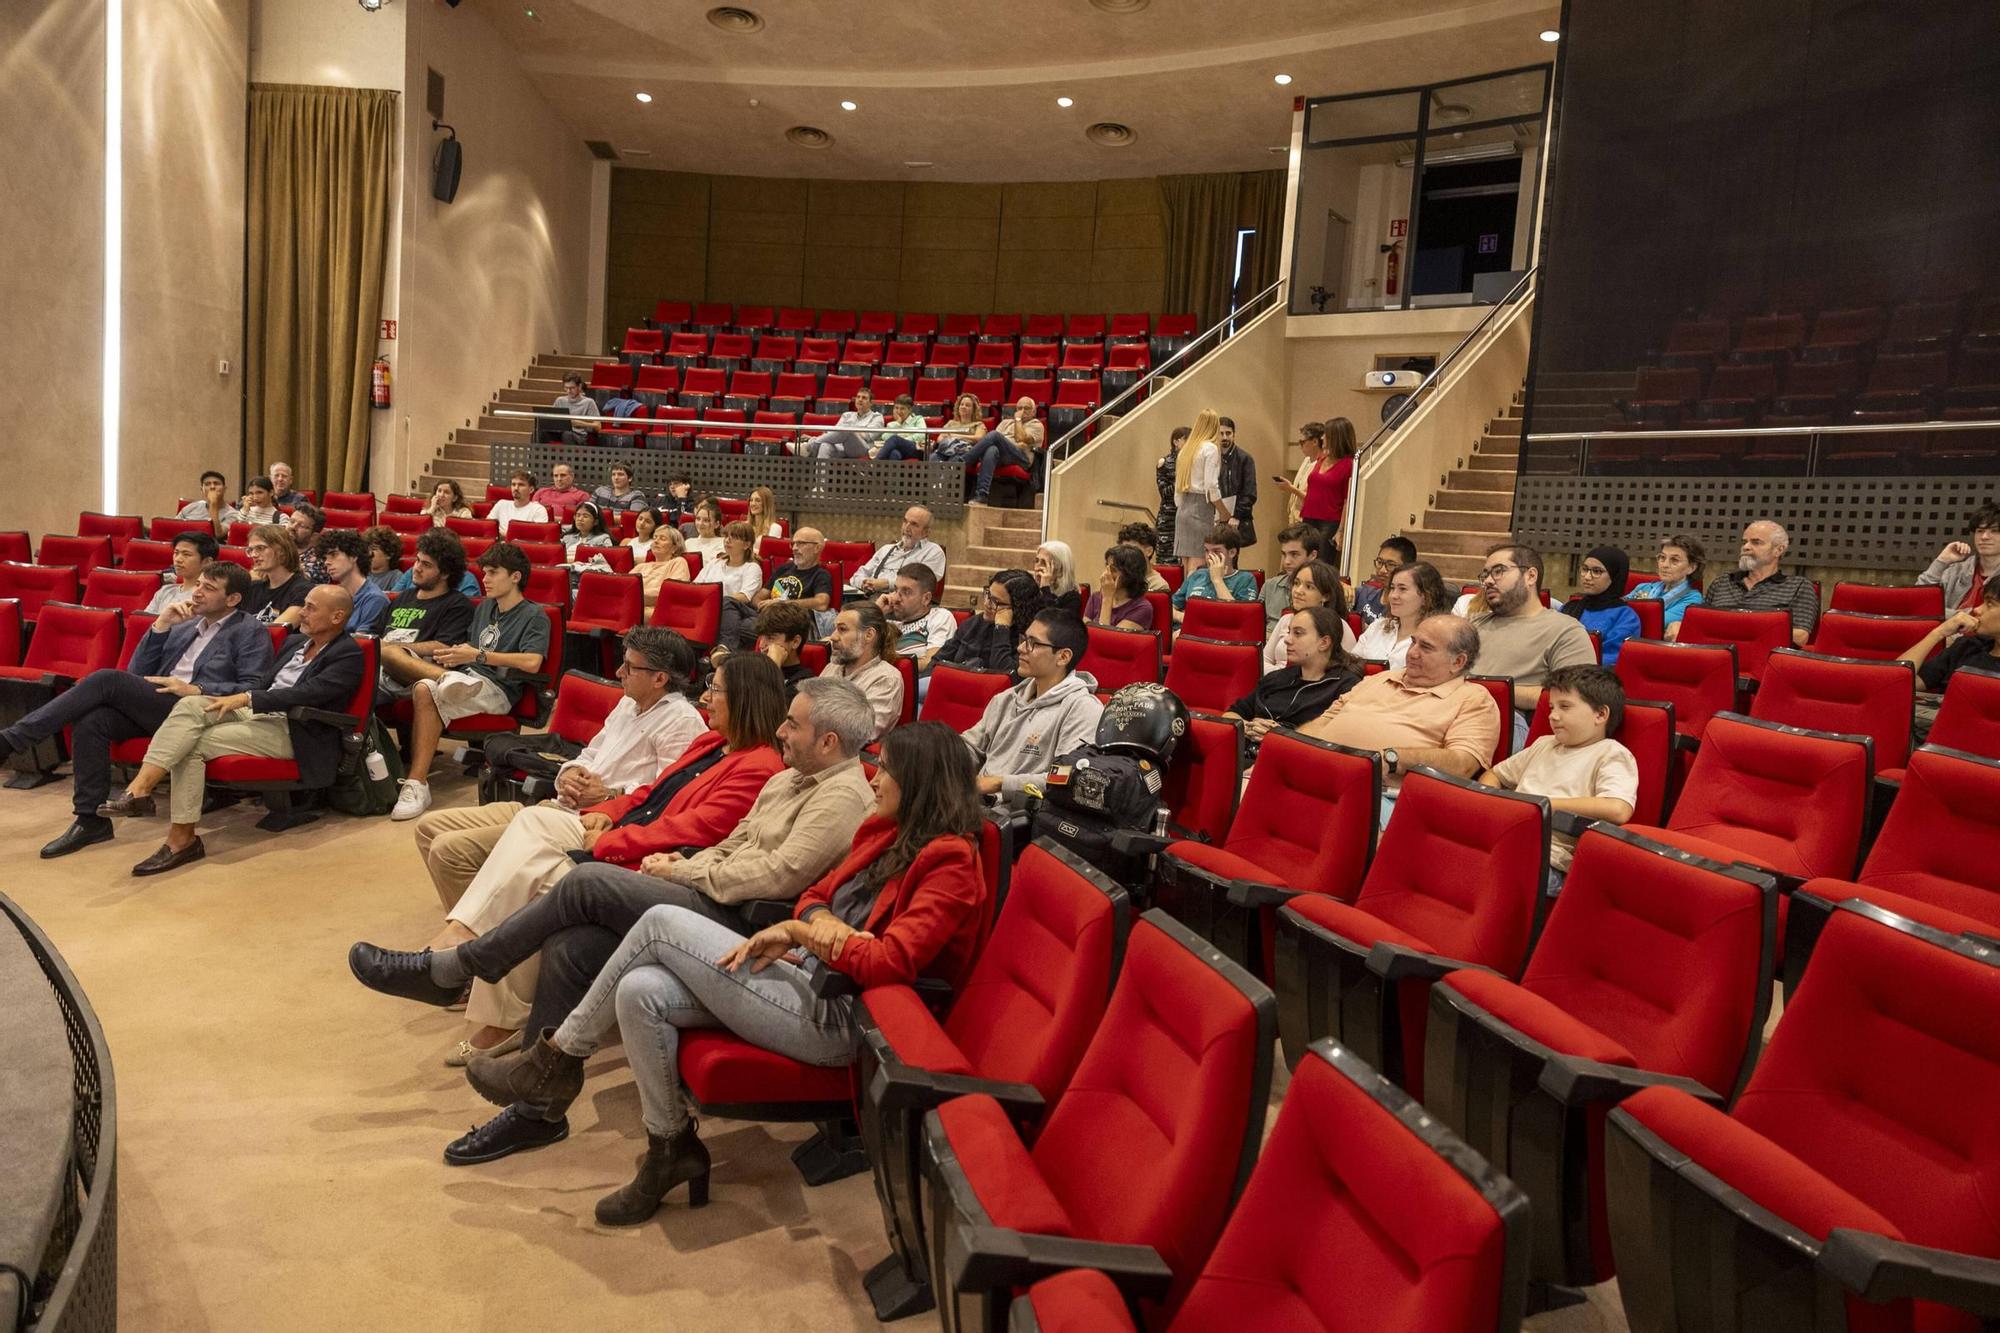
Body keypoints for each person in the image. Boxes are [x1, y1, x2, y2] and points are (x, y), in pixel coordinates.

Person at [436, 708, 963, 1206]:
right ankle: (671, 1150)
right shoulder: (884, 831)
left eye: (887, 770)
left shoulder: (950, 861)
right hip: (802, 973)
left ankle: (550, 1060)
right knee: (639, 989)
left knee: (649, 917)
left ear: (919, 782)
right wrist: (816, 923)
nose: (875, 780)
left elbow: (889, 961)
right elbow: (815, 894)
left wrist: (807, 931)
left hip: (842, 1016)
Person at [346, 673, 875, 1167]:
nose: (780, 729)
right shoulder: (789, 780)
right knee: (572, 945)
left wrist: (685, 873)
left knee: (585, 882)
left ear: (828, 742)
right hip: (710, 894)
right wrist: (685, 867)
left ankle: (459, 967)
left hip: (746, 928)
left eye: (793, 724)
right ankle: (537, 1111)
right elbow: (735, 846)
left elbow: (779, 875)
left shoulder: (844, 794)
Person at [384, 630, 719, 1058]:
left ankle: (465, 946)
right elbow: (587, 754)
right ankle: (472, 963)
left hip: (597, 821)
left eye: (630, 667)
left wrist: (609, 795)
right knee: (433, 832)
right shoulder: (627, 703)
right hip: (564, 803)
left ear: (660, 679)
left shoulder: (681, 721)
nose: (618, 672)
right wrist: (570, 776)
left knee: (505, 837)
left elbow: (664, 795)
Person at [0, 561, 272, 858]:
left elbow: (252, 687)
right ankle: (90, 820)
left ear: (233, 599)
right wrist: (161, 625)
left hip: (196, 712)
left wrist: (197, 689)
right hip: (159, 705)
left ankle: (12, 740)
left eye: (209, 588)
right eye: (198, 585)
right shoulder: (185, 624)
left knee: (105, 679)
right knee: (93, 719)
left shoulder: (250, 631)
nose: (197, 593)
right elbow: (137, 670)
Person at [98, 585, 365, 875]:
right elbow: (263, 683)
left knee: (193, 745)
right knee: (191, 705)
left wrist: (247, 698)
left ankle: (181, 839)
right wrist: (244, 698)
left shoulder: (347, 654)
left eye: (312, 607)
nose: (302, 611)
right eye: (305, 605)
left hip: (295, 729)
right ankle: (139, 790)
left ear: (338, 616)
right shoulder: (295, 643)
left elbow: (307, 694)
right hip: (257, 713)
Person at [386, 543, 552, 821]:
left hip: (499, 689)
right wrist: (454, 656)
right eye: (484, 572)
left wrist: (479, 655)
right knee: (414, 675)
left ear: (515, 577)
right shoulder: (486, 607)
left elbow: (532, 662)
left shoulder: (534, 615)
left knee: (425, 688)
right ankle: (417, 783)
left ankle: (417, 784)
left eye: (492, 572)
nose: (484, 579)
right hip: (469, 677)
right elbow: (473, 652)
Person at [1302, 614, 1501, 823]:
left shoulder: (1474, 699)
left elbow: (1463, 764)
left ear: (1458, 662)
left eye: (1426, 647)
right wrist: (1293, 750)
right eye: (1413, 642)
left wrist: (1393, 758)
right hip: (1319, 774)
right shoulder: (1378, 679)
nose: (1412, 653)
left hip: (1384, 797)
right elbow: (1322, 723)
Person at [1479, 664, 1638, 894]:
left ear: (1600, 714)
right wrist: (1487, 800)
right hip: (1504, 837)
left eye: (1565, 707)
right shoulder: (1544, 743)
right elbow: (1495, 774)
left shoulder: (1611, 753)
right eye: (1552, 707)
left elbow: (1618, 808)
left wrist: (1544, 805)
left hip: (1548, 859)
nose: (1552, 716)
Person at [962, 607, 1101, 805]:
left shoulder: (1082, 709)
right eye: (1023, 639)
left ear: (1063, 657)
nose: (1020, 648)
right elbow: (969, 747)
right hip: (973, 802)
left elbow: (1068, 777)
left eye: (1033, 643)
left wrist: (1000, 783)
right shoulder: (1007, 698)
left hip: (1017, 812)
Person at [1468, 543, 1598, 750]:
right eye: (1485, 575)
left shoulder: (1565, 630)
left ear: (1530, 576)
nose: (1489, 581)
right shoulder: (1474, 623)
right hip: (1455, 710)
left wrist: (1485, 690)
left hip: (1509, 724)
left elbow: (1576, 698)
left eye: (1498, 571)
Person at [1227, 605, 1361, 741]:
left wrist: (1279, 736)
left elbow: (1338, 740)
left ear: (1324, 643)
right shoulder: (1277, 677)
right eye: (1289, 632)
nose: (1287, 639)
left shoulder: (1347, 687)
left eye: (1298, 633)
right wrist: (1248, 728)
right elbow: (1232, 714)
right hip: (1250, 752)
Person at [375, 531, 478, 696]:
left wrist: (394, 647)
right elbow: (376, 634)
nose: (417, 568)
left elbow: (444, 645)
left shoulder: (458, 604)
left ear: (445, 573)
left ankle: (452, 680)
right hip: (380, 669)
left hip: (414, 677)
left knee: (388, 653)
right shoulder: (404, 597)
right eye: (417, 560)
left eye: (426, 565)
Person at [1902, 573, 2000, 740]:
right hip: (1937, 742)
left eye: (1990, 604)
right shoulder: (1969, 647)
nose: (1977, 609)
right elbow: (1895, 682)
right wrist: (1938, 633)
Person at [1705, 520, 1819, 646]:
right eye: (1744, 542)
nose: (1746, 547)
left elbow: (1799, 636)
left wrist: (1738, 627)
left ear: (1778, 550)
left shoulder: (1798, 586)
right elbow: (1700, 625)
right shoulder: (1722, 582)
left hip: (1765, 659)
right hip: (1718, 654)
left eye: (1756, 542)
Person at [924, 569, 1041, 683]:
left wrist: (1001, 629)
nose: (986, 604)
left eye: (995, 601)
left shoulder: (1029, 640)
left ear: (1017, 608)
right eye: (988, 595)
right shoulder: (974, 623)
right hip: (953, 686)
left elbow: (1005, 677)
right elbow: (937, 661)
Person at [821, 603, 903, 739]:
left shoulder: (886, 678)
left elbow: (862, 732)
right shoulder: (833, 667)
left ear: (869, 635)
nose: (833, 637)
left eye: (842, 629)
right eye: (835, 629)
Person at [1355, 560, 1454, 671]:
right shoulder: (1378, 626)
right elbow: (1352, 665)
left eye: (1402, 589)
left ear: (1426, 596)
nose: (1393, 596)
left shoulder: (1437, 639)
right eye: (1392, 588)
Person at [1263, 559, 1357, 671]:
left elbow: (1347, 669)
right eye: (1296, 583)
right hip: (1277, 683)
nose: (1298, 591)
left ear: (1325, 596)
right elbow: (1264, 660)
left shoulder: (1339, 626)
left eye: (1309, 587)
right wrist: (1280, 677)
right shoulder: (1286, 619)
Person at [1561, 547, 1642, 665]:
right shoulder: (1570, 607)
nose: (1587, 577)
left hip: (1594, 678)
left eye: (1597, 571)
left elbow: (1612, 658)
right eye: (1585, 569)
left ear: (1615, 576)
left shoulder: (1626, 617)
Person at [1916, 500, 2000, 613]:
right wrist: (1942, 562)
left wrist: (1947, 615)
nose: (1984, 537)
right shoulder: (1957, 570)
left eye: (1994, 531)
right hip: (1946, 630)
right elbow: (1918, 600)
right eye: (1980, 531)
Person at [846, 506, 946, 597]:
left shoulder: (933, 552)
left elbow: (920, 584)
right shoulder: (886, 549)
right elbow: (856, 576)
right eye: (905, 521)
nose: (906, 527)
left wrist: (885, 584)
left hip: (902, 606)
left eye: (914, 524)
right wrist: (865, 583)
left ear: (926, 532)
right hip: (870, 599)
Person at [1172, 410, 1228, 570]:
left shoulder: (1186, 450)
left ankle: (1185, 596)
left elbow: (1178, 490)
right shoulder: (1209, 449)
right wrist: (1223, 512)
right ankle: (1193, 596)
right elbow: (1211, 486)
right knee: (1197, 568)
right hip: (1200, 510)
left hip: (1183, 510)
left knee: (1185, 567)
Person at [965, 396, 1045, 505]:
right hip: (1003, 455)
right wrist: (1011, 442)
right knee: (991, 450)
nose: (1022, 411)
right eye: (1019, 408)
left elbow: (1021, 438)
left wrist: (1018, 420)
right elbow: (994, 442)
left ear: (1033, 411)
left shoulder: (1036, 425)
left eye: (1026, 408)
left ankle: (963, 462)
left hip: (1022, 458)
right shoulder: (1005, 423)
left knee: (995, 435)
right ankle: (982, 496)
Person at [1296, 417, 1356, 560]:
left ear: (1336, 437)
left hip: (1329, 522)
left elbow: (1348, 500)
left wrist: (1341, 530)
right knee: (1304, 560)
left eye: (1326, 435)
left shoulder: (1349, 464)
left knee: (1321, 563)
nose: (1322, 437)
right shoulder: (1322, 458)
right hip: (1309, 517)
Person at [1172, 524, 1257, 623]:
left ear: (1232, 552)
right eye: (1207, 550)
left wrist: (1217, 580)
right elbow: (1170, 607)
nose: (1209, 557)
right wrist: (1182, 617)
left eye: (1216, 551)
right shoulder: (1197, 575)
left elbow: (1239, 617)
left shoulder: (1246, 580)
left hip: (1222, 634)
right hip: (1190, 632)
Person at [1627, 536, 1706, 640]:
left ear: (1691, 568)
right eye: (1662, 558)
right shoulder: (1644, 587)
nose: (1665, 565)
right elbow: (1616, 609)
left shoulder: (1693, 600)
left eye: (1674, 560)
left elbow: (1652, 624)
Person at [316, 527, 391, 637]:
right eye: (325, 558)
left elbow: (360, 645)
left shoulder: (375, 599)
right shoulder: (330, 596)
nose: (327, 562)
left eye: (333, 555)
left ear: (353, 556)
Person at [878, 564, 956, 659]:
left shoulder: (939, 617)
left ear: (926, 598)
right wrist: (877, 610)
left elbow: (931, 662)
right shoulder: (890, 623)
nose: (896, 598)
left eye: (906, 592)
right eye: (895, 590)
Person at [242, 524, 313, 627]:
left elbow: (276, 633)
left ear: (282, 551)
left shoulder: (304, 590)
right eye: (250, 550)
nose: (254, 555)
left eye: (260, 548)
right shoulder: (253, 588)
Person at [752, 526, 831, 612]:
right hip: (766, 616)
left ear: (817, 548)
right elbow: (758, 597)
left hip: (793, 620)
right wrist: (762, 607)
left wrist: (782, 604)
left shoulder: (821, 574)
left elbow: (821, 603)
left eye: (800, 543)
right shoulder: (784, 568)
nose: (794, 548)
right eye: (793, 544)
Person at [1261, 523, 1324, 631]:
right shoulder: (1269, 586)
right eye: (1284, 554)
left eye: (1294, 554)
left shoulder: (1324, 589)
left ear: (1312, 555)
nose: (1286, 562)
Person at [750, 601, 817, 695]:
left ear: (795, 642)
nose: (761, 645)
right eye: (761, 637)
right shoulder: (751, 669)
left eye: (770, 638)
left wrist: (773, 666)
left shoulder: (804, 682)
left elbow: (762, 706)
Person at [144, 531, 220, 614]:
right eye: (176, 553)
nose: (178, 559)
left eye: (186, 554)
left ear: (207, 562)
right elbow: (146, 623)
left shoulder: (206, 597)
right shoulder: (165, 591)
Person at [1085, 544, 1155, 631]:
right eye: (1106, 568)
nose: (1106, 574)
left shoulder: (1142, 608)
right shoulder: (1095, 598)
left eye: (1113, 570)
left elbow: (1106, 640)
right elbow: (1082, 635)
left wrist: (1107, 598)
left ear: (1130, 575)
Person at [1215, 415, 1260, 546]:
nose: (1224, 437)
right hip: (1215, 518)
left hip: (1235, 519)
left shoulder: (1245, 459)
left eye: (1228, 433)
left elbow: (1250, 492)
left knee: (1231, 558)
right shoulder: (1212, 456)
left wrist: (1236, 516)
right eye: (1221, 433)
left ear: (1234, 435)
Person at [1353, 535, 1418, 624]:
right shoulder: (1365, 594)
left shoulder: (1407, 609)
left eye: (1391, 565)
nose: (1382, 570)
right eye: (1379, 562)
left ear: (1408, 568)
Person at [807, 387, 884, 460]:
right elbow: (834, 433)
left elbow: (867, 436)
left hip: (862, 449)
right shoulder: (847, 415)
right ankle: (821, 473)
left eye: (864, 398)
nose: (860, 399)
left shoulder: (877, 417)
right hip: (841, 446)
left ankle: (812, 444)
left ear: (870, 403)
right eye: (858, 397)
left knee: (846, 429)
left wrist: (850, 432)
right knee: (825, 446)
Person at [1277, 420, 1326, 526]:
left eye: (1302, 442)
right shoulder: (1307, 460)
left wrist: (1291, 489)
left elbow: (1314, 498)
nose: (1300, 446)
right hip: (1295, 516)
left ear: (1315, 442)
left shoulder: (1323, 465)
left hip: (1308, 520)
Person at [637, 525, 691, 615]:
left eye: (662, 538)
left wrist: (635, 595)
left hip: (657, 611)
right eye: (655, 537)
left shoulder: (678, 562)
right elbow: (624, 587)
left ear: (674, 547)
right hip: (632, 605)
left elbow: (673, 592)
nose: (656, 541)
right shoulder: (641, 566)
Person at [176, 470, 243, 538]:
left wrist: (213, 504)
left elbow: (218, 535)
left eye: (216, 483)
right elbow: (174, 527)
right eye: (207, 484)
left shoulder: (233, 514)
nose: (212, 487)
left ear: (224, 489)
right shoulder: (191, 507)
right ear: (202, 489)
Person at [559, 501, 615, 582]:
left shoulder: (603, 538)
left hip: (588, 577)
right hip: (564, 574)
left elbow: (606, 560)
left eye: (585, 516)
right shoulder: (567, 538)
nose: (580, 519)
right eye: (578, 515)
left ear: (595, 521)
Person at [1155, 425, 1188, 562]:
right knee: (1167, 559)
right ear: (1176, 441)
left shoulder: (1192, 463)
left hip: (1186, 515)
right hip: (1168, 518)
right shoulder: (1165, 462)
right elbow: (1164, 492)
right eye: (1185, 439)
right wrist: (1181, 483)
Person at [929, 393, 986, 463]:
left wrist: (956, 436)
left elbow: (979, 438)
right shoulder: (951, 423)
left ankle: (945, 473)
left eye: (967, 405)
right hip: (946, 449)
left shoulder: (978, 424)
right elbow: (939, 439)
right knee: (933, 457)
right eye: (961, 404)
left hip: (964, 451)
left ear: (973, 410)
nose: (963, 407)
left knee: (955, 459)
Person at [1116, 521, 1173, 593]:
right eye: (1123, 550)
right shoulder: (1119, 578)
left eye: (1132, 550)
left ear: (1149, 551)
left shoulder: (1159, 586)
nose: (1126, 556)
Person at [489, 471, 550, 536]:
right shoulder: (501, 504)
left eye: (521, 485)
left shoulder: (538, 510)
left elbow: (536, 536)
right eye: (513, 484)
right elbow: (488, 527)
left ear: (531, 489)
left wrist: (501, 533)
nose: (516, 488)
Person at [873, 394, 929, 461]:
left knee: (895, 439)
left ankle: (875, 462)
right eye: (896, 408)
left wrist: (902, 440)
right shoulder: (892, 424)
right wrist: (897, 424)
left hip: (915, 449)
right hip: (900, 451)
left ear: (910, 409)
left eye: (902, 408)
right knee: (894, 454)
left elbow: (922, 435)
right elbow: (885, 437)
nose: (899, 411)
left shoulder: (918, 419)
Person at [552, 372, 598, 448]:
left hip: (579, 435)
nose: (568, 391)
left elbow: (598, 426)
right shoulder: (559, 400)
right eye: (566, 388)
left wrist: (579, 423)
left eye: (572, 388)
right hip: (560, 433)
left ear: (579, 386)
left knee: (567, 434)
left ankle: (569, 460)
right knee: (539, 433)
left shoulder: (589, 402)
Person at [1034, 541, 1081, 615]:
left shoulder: (1072, 598)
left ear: (1060, 570)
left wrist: (1045, 589)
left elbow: (1053, 621)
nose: (1037, 568)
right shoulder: (1032, 589)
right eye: (1036, 561)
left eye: (1044, 563)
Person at [287, 503, 328, 583]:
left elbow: (294, 584)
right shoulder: (277, 547)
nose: (292, 527)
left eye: (301, 526)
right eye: (292, 521)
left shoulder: (317, 562)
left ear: (314, 536)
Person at [359, 526, 404, 592]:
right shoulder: (361, 572)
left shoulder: (396, 576)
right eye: (366, 549)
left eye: (373, 549)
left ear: (389, 554)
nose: (368, 554)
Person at [683, 498, 726, 566]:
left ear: (717, 524)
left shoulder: (723, 543)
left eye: (706, 520)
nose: (700, 523)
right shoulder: (688, 542)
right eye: (698, 519)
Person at [743, 486, 783, 555]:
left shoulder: (775, 528)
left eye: (758, 500)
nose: (753, 504)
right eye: (751, 500)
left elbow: (768, 553)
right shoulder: (743, 525)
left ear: (766, 504)